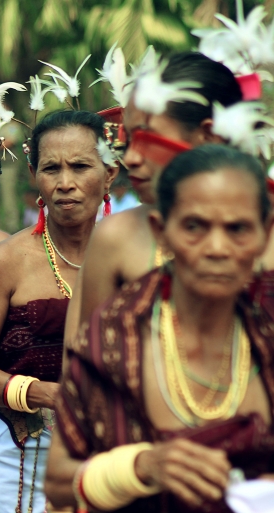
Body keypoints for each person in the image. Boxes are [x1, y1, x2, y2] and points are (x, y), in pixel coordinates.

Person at [46, 145, 274, 513]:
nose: (217, 247)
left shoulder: (265, 335)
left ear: (264, 234)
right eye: (194, 226)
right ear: (161, 232)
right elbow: (59, 484)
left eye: (237, 229)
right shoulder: (114, 343)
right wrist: (141, 467)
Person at [0, 111, 117, 513]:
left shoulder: (135, 256)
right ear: (33, 174)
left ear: (110, 172)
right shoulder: (5, 261)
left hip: (114, 454)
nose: (65, 183)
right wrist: (43, 394)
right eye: (51, 168)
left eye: (80, 166)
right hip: (19, 460)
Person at [64, 52, 245, 349]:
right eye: (129, 140)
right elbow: (82, 366)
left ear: (209, 136)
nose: (131, 159)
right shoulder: (115, 238)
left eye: (147, 138)